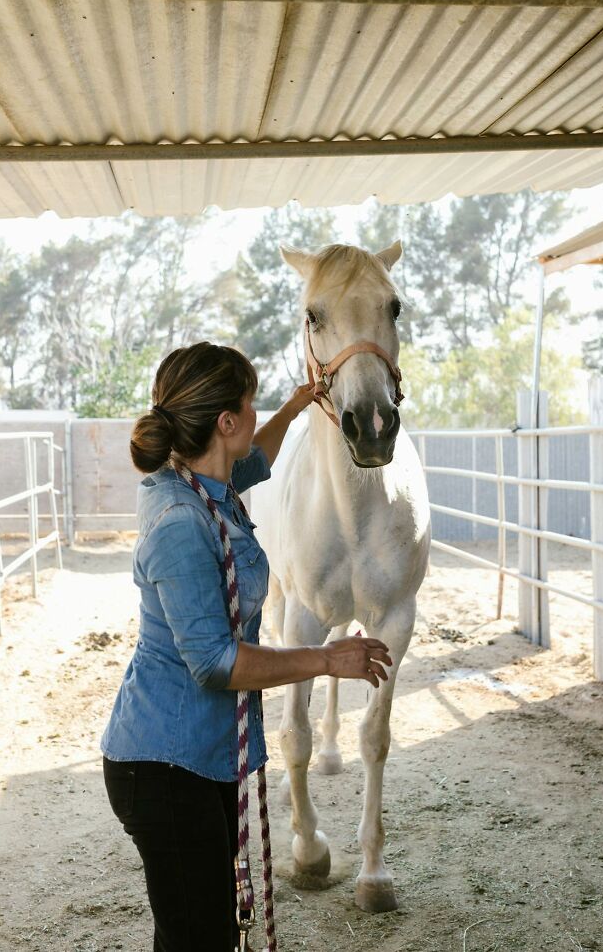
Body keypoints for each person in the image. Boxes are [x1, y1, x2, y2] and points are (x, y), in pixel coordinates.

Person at [100, 342, 392, 952]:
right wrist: (327, 659)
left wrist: (297, 403)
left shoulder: (200, 478)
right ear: (225, 424)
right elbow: (216, 662)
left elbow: (259, 454)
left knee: (197, 929)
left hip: (196, 759)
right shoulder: (182, 522)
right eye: (250, 404)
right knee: (197, 936)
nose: (257, 416)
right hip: (164, 768)